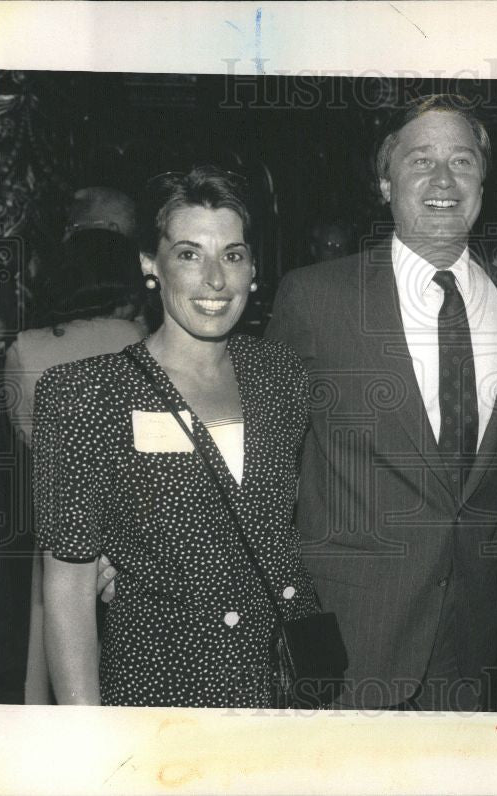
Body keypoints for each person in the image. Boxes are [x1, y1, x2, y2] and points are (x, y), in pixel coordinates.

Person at [265, 95, 497, 710]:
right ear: (385, 183)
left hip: (470, 636)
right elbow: (264, 463)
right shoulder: (316, 299)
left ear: (483, 185)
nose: (444, 180)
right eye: (421, 161)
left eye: (463, 162)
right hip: (347, 632)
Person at [32, 166, 319, 706]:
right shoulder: (84, 395)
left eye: (233, 255)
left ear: (254, 268)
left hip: (281, 684)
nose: (215, 280)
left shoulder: (281, 375)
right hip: (160, 686)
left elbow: (283, 522)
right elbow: (68, 589)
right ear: (150, 264)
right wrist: (84, 744)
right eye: (189, 254)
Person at [4, 226, 146, 704]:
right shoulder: (136, 339)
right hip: (133, 523)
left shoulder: (25, 348)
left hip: (55, 522)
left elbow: (27, 440)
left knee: (50, 645)